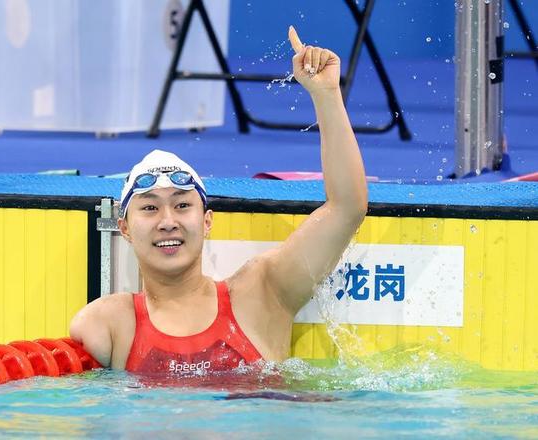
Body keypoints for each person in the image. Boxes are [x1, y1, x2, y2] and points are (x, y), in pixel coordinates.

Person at [70, 26, 368, 374]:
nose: (168, 221)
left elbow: (347, 209)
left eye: (182, 205)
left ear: (207, 220)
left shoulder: (261, 293)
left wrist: (327, 95)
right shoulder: (110, 323)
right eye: (150, 207)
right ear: (124, 228)